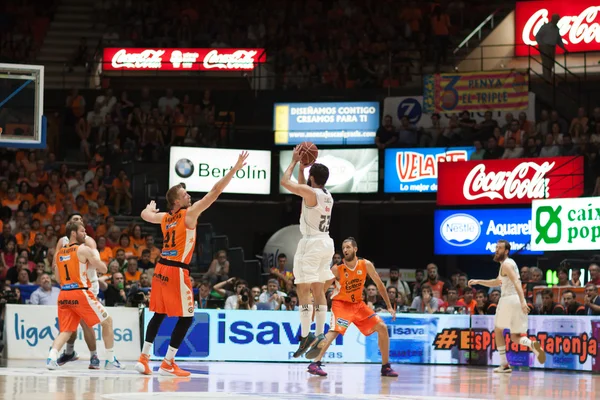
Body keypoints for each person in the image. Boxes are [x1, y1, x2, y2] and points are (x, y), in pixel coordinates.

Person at [135, 151, 248, 377]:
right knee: (187, 316)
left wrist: (149, 208)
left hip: (160, 269)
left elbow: (145, 215)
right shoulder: (189, 214)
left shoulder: (165, 217)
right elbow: (215, 192)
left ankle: (144, 358)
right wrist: (234, 170)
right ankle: (167, 362)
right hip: (176, 270)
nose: (189, 196)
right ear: (177, 201)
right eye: (185, 194)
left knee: (158, 313)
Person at [306, 237, 398, 377]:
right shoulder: (337, 269)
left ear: (355, 249)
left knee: (382, 328)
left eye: (348, 247)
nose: (345, 250)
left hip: (359, 306)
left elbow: (380, 285)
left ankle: (385, 366)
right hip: (341, 306)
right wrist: (315, 306)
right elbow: (322, 290)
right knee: (335, 331)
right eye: (343, 248)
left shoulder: (365, 264)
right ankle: (315, 363)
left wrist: (389, 307)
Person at [280, 145, 334, 358]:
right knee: (319, 291)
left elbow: (285, 183)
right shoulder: (327, 195)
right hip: (326, 243)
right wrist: (303, 171)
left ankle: (304, 336)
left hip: (311, 244)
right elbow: (304, 192)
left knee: (303, 290)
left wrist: (294, 162)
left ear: (313, 178)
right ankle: (320, 334)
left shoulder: (311, 193)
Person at [46, 222, 124, 370]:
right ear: (73, 233)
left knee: (67, 331)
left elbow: (57, 277)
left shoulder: (59, 253)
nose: (85, 234)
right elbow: (103, 268)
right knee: (107, 321)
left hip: (64, 294)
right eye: (82, 231)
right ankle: (110, 359)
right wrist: (93, 260)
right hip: (79, 292)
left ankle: (51, 357)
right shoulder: (83, 249)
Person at [468, 240, 546, 373]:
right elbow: (497, 282)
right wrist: (478, 281)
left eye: (499, 248)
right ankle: (532, 344)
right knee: (515, 337)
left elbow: (516, 281)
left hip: (508, 299)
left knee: (498, 330)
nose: (496, 250)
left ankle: (504, 364)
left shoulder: (506, 265)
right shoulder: (509, 264)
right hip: (515, 300)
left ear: (506, 251)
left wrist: (523, 302)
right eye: (496, 247)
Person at [52, 213, 100, 369]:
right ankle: (70, 352)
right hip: (70, 286)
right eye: (75, 220)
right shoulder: (62, 242)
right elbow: (55, 263)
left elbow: (95, 262)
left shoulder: (88, 241)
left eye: (81, 220)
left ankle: (94, 356)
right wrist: (62, 283)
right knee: (69, 323)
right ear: (70, 227)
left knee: (86, 323)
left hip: (87, 284)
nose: (79, 222)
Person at [535, 13, 567, 81]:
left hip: (552, 47)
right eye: (557, 19)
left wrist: (564, 48)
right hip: (545, 47)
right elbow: (538, 36)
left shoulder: (556, 29)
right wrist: (541, 44)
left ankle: (548, 77)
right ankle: (547, 78)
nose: (557, 21)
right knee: (546, 63)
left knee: (551, 63)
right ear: (553, 19)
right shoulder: (545, 27)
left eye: (558, 20)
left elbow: (558, 40)